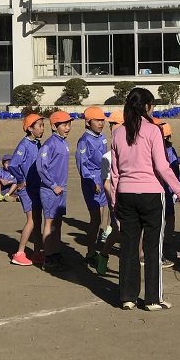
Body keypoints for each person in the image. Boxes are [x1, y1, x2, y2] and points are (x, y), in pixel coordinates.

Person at [110, 88, 180, 310]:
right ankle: (153, 298)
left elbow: (115, 173)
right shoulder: (153, 130)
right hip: (151, 194)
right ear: (146, 107)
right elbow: (162, 166)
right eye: (151, 105)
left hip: (125, 194)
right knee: (153, 247)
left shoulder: (117, 133)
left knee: (128, 247)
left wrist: (114, 203)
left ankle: (127, 297)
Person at [37, 111, 73, 272]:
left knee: (58, 223)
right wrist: (53, 185)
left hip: (61, 190)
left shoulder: (64, 143)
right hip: (50, 191)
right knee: (49, 223)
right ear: (54, 126)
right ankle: (48, 258)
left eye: (69, 124)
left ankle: (56, 254)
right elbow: (41, 167)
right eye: (64, 125)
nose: (68, 128)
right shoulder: (49, 144)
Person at [8, 113, 45, 266]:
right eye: (39, 126)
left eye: (43, 126)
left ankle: (37, 251)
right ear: (30, 128)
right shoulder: (23, 145)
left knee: (38, 219)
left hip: (36, 187)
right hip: (27, 189)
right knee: (31, 220)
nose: (42, 129)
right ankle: (19, 253)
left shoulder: (37, 144)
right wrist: (21, 180)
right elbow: (13, 164)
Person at [76, 107, 108, 265]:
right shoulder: (84, 140)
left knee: (100, 219)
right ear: (88, 122)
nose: (101, 123)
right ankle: (90, 252)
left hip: (103, 178)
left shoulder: (102, 137)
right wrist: (91, 182)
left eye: (102, 120)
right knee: (95, 218)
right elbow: (82, 165)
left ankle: (94, 249)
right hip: (92, 181)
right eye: (97, 120)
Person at [95, 110, 124, 276]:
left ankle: (136, 260)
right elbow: (106, 182)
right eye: (111, 124)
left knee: (137, 231)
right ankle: (104, 254)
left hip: (133, 197)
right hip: (117, 200)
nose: (111, 127)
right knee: (118, 230)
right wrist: (113, 203)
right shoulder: (108, 157)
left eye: (114, 124)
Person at [160, 123, 180, 264]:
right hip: (164, 189)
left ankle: (165, 245)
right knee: (167, 218)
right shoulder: (168, 151)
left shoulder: (167, 150)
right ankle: (165, 245)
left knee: (166, 218)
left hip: (163, 189)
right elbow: (173, 171)